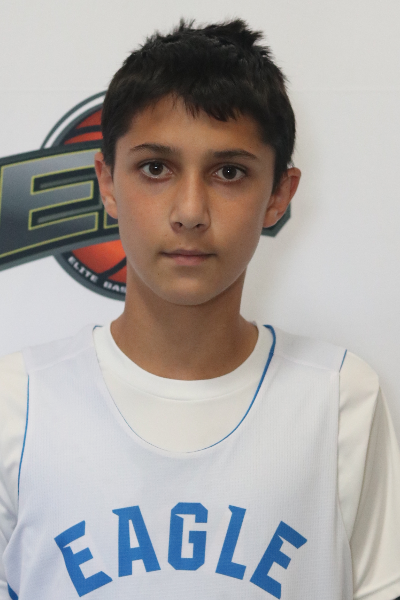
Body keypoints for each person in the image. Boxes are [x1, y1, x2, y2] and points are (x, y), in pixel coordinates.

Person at [1, 18, 400, 600]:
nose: (190, 211)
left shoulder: (340, 399)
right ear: (107, 183)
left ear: (279, 195)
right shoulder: (17, 403)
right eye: (155, 168)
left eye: (229, 172)